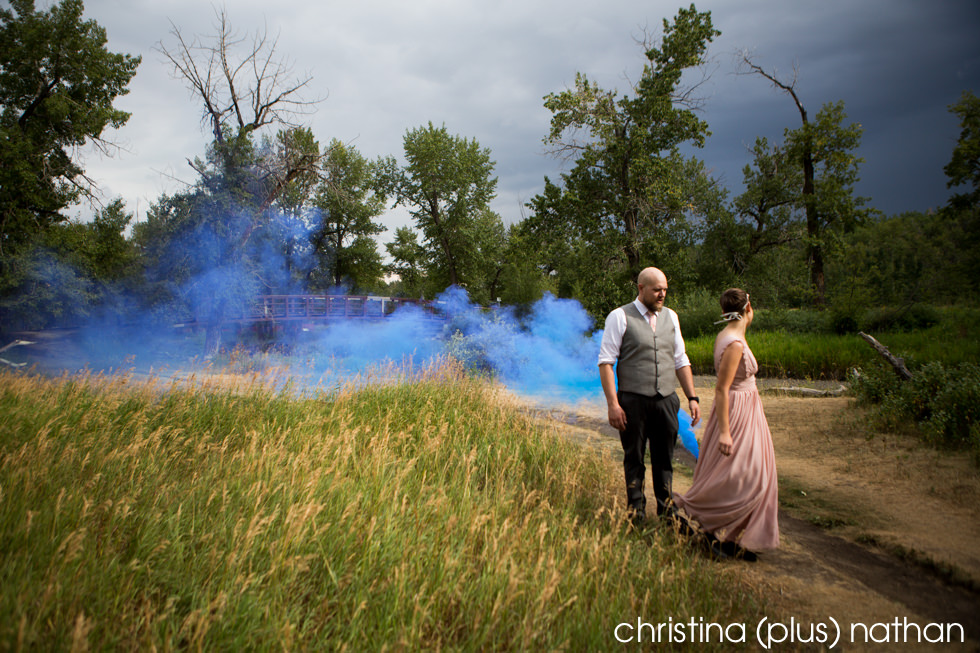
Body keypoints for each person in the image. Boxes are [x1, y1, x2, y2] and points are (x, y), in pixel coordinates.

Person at [673, 288, 779, 558]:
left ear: (723, 312)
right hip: (737, 413)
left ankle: (730, 538)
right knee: (747, 476)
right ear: (749, 309)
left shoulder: (729, 335)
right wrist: (725, 433)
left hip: (748, 410)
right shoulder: (734, 343)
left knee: (755, 474)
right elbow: (722, 389)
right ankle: (710, 530)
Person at [598, 267, 701, 525]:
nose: (662, 294)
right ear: (641, 288)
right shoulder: (619, 317)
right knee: (634, 457)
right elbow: (606, 362)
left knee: (664, 458)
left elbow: (680, 359)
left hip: (666, 400)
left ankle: (667, 512)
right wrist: (613, 404)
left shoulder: (672, 317)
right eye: (657, 289)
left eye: (665, 289)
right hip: (632, 400)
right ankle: (636, 514)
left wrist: (692, 397)